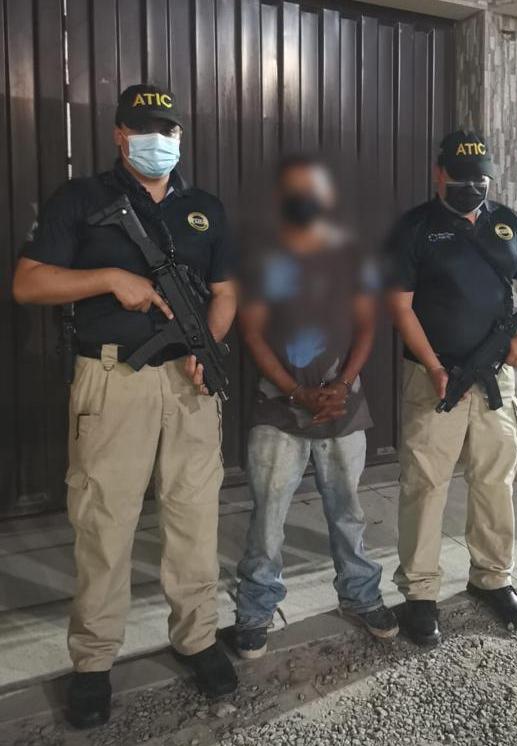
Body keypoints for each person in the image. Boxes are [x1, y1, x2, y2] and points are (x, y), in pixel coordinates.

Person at [12, 85, 238, 728]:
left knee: (194, 516)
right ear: (119, 134)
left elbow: (226, 291)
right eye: (143, 128)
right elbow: (28, 283)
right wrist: (110, 279)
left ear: (179, 136)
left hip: (189, 384)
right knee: (105, 521)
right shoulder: (82, 200)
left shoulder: (204, 208)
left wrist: (208, 344)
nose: (157, 140)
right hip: (113, 379)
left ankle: (197, 637)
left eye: (167, 129)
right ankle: (92, 661)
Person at [234, 156, 399, 659]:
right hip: (277, 411)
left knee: (348, 512)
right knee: (268, 518)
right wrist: (294, 392)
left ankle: (360, 596)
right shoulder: (262, 257)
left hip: (343, 408)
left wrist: (341, 385)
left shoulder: (352, 254)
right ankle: (256, 610)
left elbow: (367, 326)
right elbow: (252, 332)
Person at [386, 131, 517, 646]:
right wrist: (434, 366)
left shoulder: (509, 223)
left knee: (495, 480)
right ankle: (420, 594)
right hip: (435, 378)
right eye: (461, 177)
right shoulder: (415, 227)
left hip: (496, 378)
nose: (471, 186)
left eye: (480, 178)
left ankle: (493, 579)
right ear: (440, 174)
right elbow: (399, 307)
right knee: (425, 485)